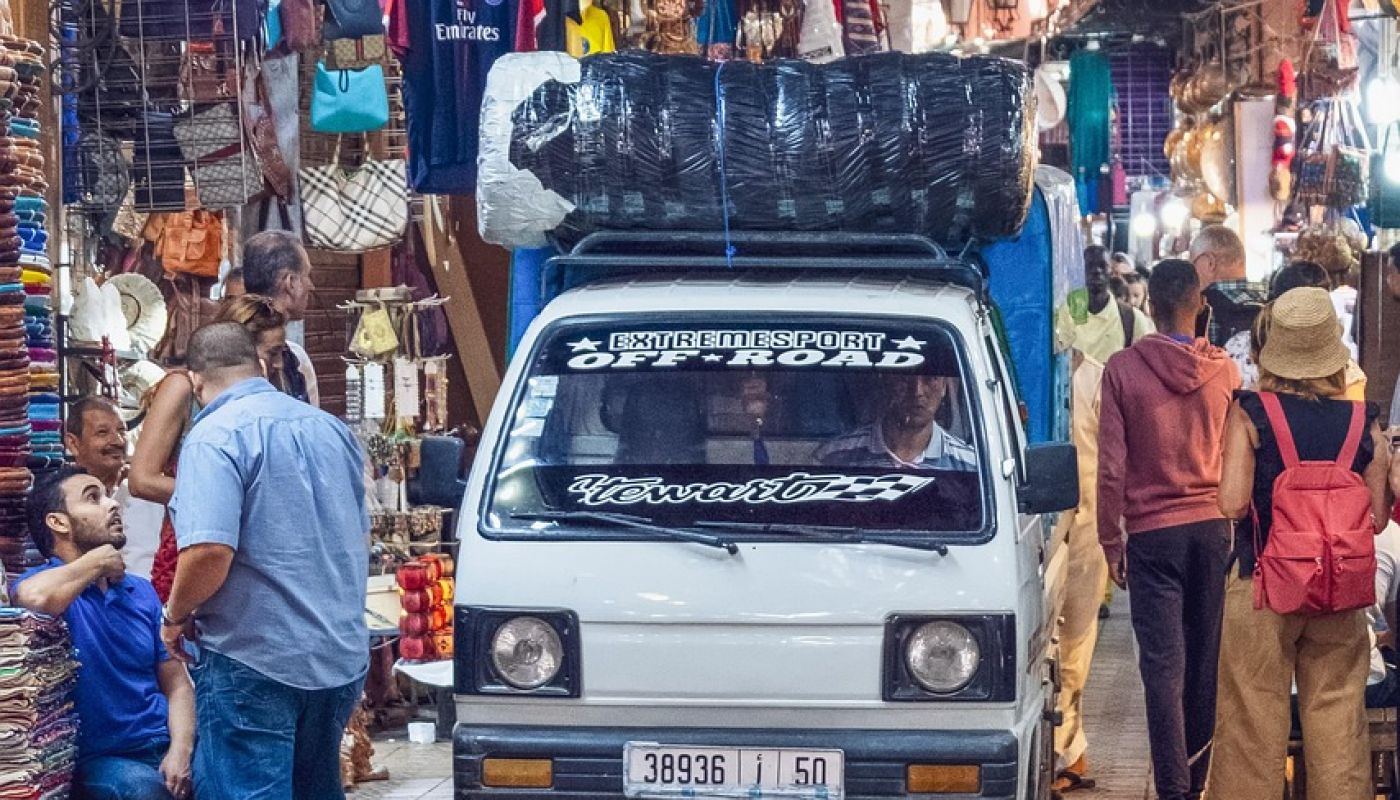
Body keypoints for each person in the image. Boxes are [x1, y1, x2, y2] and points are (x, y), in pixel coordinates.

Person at [162, 323, 369, 800]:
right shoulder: (329, 428)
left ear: (195, 382)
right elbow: (357, 534)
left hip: (256, 659)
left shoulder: (213, 436)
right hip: (337, 654)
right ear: (260, 366)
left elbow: (209, 551)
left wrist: (174, 616)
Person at [1210, 288, 1392, 800]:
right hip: (1340, 590)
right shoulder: (1363, 420)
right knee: (1338, 722)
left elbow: (1231, 503)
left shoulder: (1250, 412)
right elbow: (1377, 517)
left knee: (1252, 721)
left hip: (1263, 585)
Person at [1097, 259, 1240, 800]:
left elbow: (1111, 466)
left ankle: (1174, 790)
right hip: (1211, 530)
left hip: (1153, 536)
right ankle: (1196, 782)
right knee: (1204, 663)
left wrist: (1111, 539)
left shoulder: (1122, 370)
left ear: (1149, 307)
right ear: (1199, 307)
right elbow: (1234, 458)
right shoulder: (1225, 372)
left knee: (1162, 669)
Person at [13, 467, 195, 800]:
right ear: (59, 522)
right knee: (144, 792)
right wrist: (97, 562)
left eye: (108, 495)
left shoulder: (140, 591)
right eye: (93, 498)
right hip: (103, 760)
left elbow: (177, 684)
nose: (112, 504)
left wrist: (181, 750)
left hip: (164, 744)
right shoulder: (46, 585)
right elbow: (32, 597)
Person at [131, 296, 290, 602]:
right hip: (196, 543)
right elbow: (142, 479)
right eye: (273, 352)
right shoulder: (183, 387)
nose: (280, 363)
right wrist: (220, 496)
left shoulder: (270, 394)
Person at [1051, 350, 1110, 793]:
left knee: (1075, 645)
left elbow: (1113, 458)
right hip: (1041, 527)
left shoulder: (1096, 378)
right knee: (1046, 649)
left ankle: (1067, 749)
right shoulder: (1023, 372)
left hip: (1089, 527)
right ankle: (1060, 749)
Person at [64, 397, 165, 578]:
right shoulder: (64, 501)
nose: (118, 441)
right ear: (73, 443)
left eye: (122, 431)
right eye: (102, 433)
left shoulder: (151, 494)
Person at [815, 373, 977, 471]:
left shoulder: (970, 464)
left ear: (943, 387)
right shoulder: (834, 457)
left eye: (930, 379)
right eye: (905, 379)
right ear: (887, 382)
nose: (917, 391)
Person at [241, 230, 319, 407]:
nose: (311, 286)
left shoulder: (223, 348)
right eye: (307, 275)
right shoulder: (295, 359)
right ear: (291, 283)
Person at [1073, 245, 1153, 367]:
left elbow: (1145, 369)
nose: (1096, 271)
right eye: (1090, 266)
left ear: (1111, 271)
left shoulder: (1132, 319)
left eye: (1102, 266)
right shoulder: (1065, 317)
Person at [1190, 225, 1267, 348]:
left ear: (1210, 262)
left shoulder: (1203, 308)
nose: (1192, 272)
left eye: (1193, 264)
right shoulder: (1271, 302)